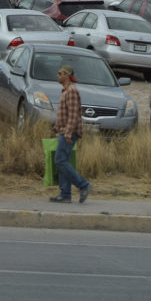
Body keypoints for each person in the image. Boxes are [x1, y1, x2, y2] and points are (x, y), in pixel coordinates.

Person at [50, 65, 92, 204]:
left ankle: (83, 185)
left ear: (67, 75)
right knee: (63, 161)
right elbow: (65, 113)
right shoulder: (66, 91)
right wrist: (57, 128)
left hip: (69, 132)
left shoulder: (72, 91)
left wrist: (67, 133)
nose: (57, 75)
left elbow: (74, 115)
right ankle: (65, 195)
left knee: (60, 161)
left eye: (60, 73)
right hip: (64, 131)